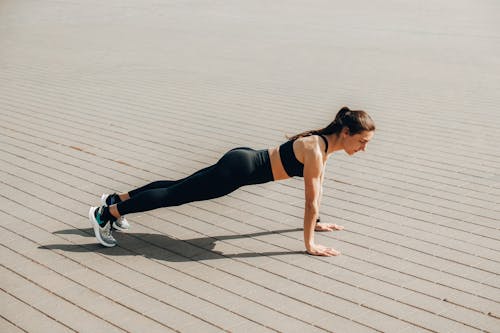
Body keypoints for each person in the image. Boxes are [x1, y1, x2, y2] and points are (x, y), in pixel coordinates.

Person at [89, 106, 375, 256]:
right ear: (347, 132)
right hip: (236, 172)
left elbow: (317, 195)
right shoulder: (316, 149)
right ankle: (105, 214)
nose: (363, 149)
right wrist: (310, 243)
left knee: (177, 186)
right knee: (174, 195)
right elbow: (311, 200)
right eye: (362, 141)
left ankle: (117, 200)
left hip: (241, 159)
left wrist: (316, 223)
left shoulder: (323, 146)